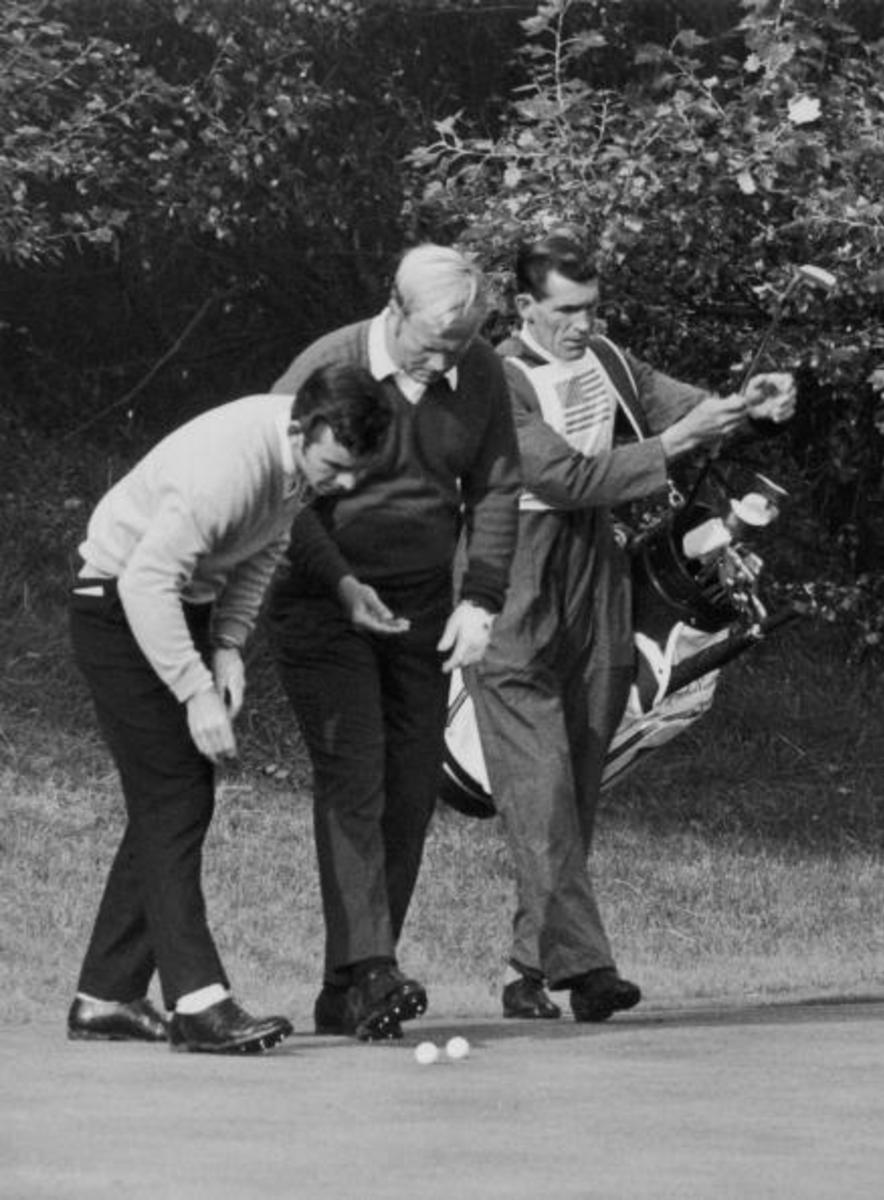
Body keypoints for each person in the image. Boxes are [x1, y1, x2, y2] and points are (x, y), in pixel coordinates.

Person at [463, 229, 797, 1023]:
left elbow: (688, 412)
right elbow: (565, 476)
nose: (581, 324)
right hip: (510, 570)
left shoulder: (608, 359)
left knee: (577, 779)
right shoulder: (495, 378)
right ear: (524, 306)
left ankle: (526, 968)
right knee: (538, 785)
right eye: (565, 310)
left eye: (591, 308)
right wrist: (674, 444)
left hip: (594, 571)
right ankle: (587, 970)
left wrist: (754, 409)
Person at [67, 365, 393, 1054]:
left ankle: (106, 995)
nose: (343, 485)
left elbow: (264, 547)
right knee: (174, 797)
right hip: (118, 607)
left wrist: (228, 647)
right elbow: (145, 582)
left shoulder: (292, 465)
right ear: (301, 431)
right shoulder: (230, 466)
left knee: (174, 800)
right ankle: (198, 1001)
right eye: (335, 467)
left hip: (176, 609)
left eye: (355, 472)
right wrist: (192, 692)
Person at [266, 244, 520, 1041]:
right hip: (322, 598)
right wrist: (343, 580)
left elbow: (497, 483)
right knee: (355, 775)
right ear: (393, 307)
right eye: (432, 341)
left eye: (460, 343)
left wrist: (480, 597)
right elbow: (281, 490)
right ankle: (373, 970)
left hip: (419, 604)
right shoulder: (331, 363)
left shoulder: (475, 370)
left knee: (410, 786)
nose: (445, 358)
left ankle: (349, 988)